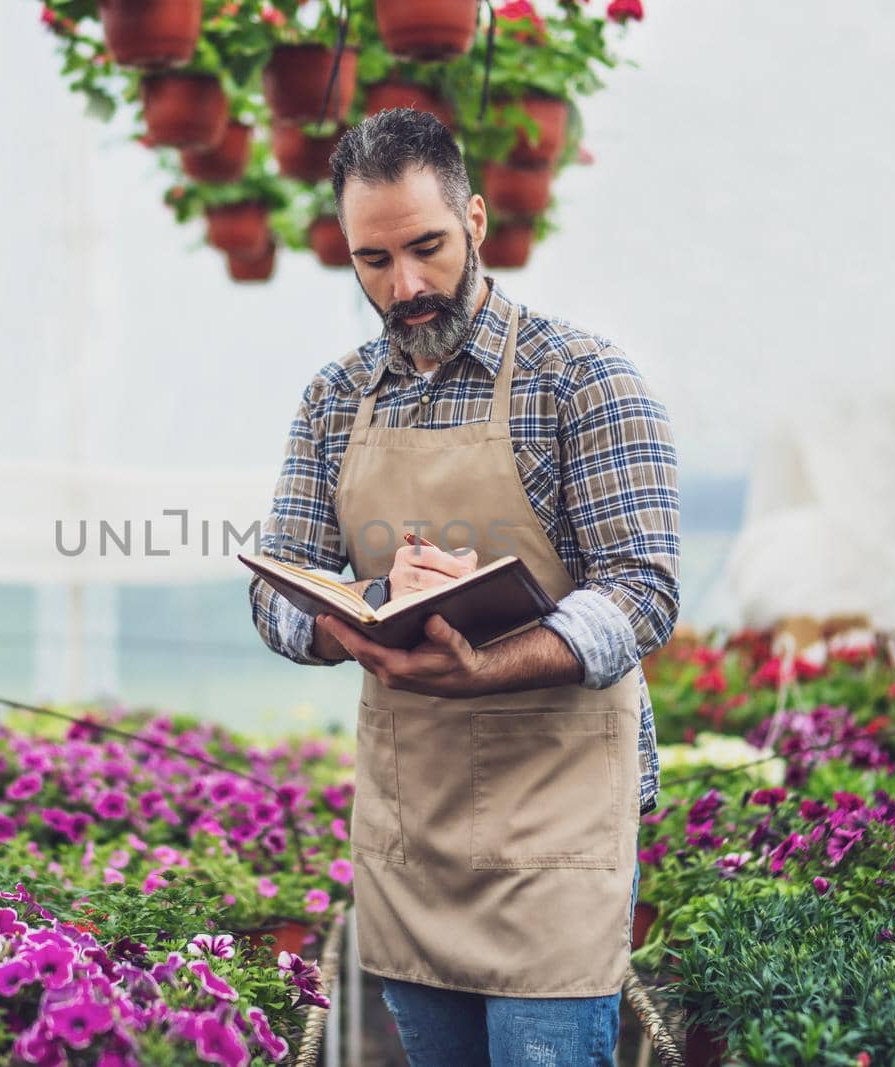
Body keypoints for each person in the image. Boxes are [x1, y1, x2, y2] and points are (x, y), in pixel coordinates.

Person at [246, 108, 680, 1066]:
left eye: (428, 248)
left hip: (554, 833)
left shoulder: (585, 382)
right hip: (415, 830)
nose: (404, 286)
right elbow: (277, 588)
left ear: (478, 219)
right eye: (372, 261)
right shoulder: (332, 400)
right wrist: (343, 626)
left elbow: (643, 588)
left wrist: (493, 660)